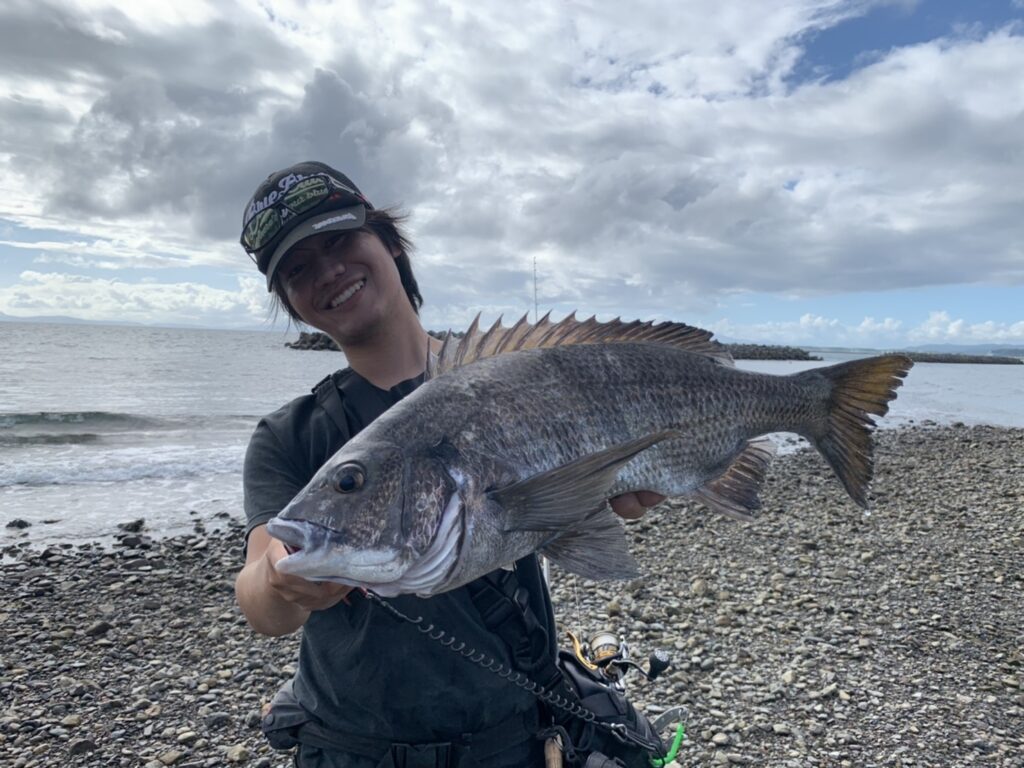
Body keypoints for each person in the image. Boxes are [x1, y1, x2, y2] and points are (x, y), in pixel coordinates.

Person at [233, 161, 664, 768]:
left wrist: (615, 490)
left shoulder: (516, 379)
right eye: (297, 270)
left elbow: (584, 503)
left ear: (388, 241)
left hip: (518, 736)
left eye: (339, 241)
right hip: (351, 748)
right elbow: (258, 596)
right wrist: (280, 579)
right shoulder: (291, 436)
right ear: (292, 305)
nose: (328, 271)